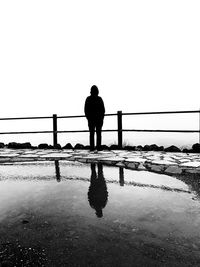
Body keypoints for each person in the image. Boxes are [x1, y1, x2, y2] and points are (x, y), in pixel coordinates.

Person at [84, 85, 105, 151]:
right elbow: (103, 110)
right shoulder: (99, 99)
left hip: (91, 119)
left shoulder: (88, 99)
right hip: (99, 119)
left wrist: (88, 118)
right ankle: (98, 147)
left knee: (91, 133)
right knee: (98, 133)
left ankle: (92, 147)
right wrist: (101, 118)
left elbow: (86, 110)